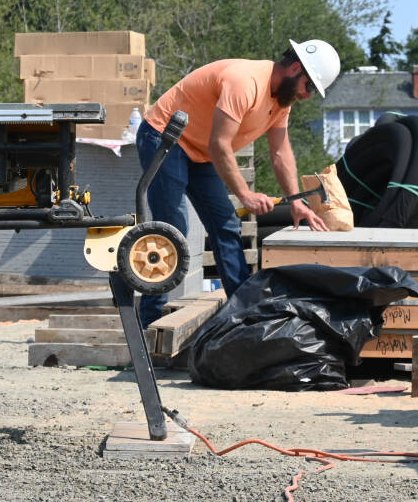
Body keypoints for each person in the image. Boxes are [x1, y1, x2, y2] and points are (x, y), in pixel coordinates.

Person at [135, 39, 341, 326]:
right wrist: (245, 194)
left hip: (201, 150)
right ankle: (148, 324)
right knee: (172, 229)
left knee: (226, 225)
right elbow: (220, 144)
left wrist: (296, 201)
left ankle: (245, 315)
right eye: (309, 87)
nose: (307, 95)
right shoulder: (245, 82)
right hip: (164, 137)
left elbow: (280, 151)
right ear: (296, 68)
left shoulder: (282, 101)